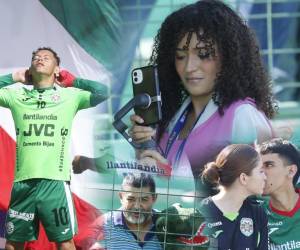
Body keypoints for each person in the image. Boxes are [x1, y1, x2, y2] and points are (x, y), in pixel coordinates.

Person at [130, 0, 276, 196]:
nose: (189, 67)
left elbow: (264, 193)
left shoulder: (242, 116)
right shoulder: (169, 118)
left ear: (230, 56)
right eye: (181, 56)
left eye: (204, 54)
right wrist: (143, 152)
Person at [0, 47, 108, 250]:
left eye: (46, 57)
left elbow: (104, 92)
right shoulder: (17, 97)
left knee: (65, 243)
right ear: (30, 68)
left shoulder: (70, 97)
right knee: (13, 243)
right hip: (23, 184)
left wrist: (74, 81)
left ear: (57, 69)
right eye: (35, 57)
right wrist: (14, 76)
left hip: (54, 183)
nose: (39, 58)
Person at [200, 144, 268, 249]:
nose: (265, 177)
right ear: (244, 178)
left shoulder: (258, 213)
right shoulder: (202, 212)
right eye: (261, 171)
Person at [86, 172, 161, 250]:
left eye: (144, 199)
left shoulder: (166, 222)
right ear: (121, 197)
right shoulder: (103, 224)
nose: (137, 206)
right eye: (131, 199)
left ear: (154, 198)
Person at [257, 138, 300, 249]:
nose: (260, 173)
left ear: (291, 171)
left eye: (269, 165)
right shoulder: (254, 214)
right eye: (258, 167)